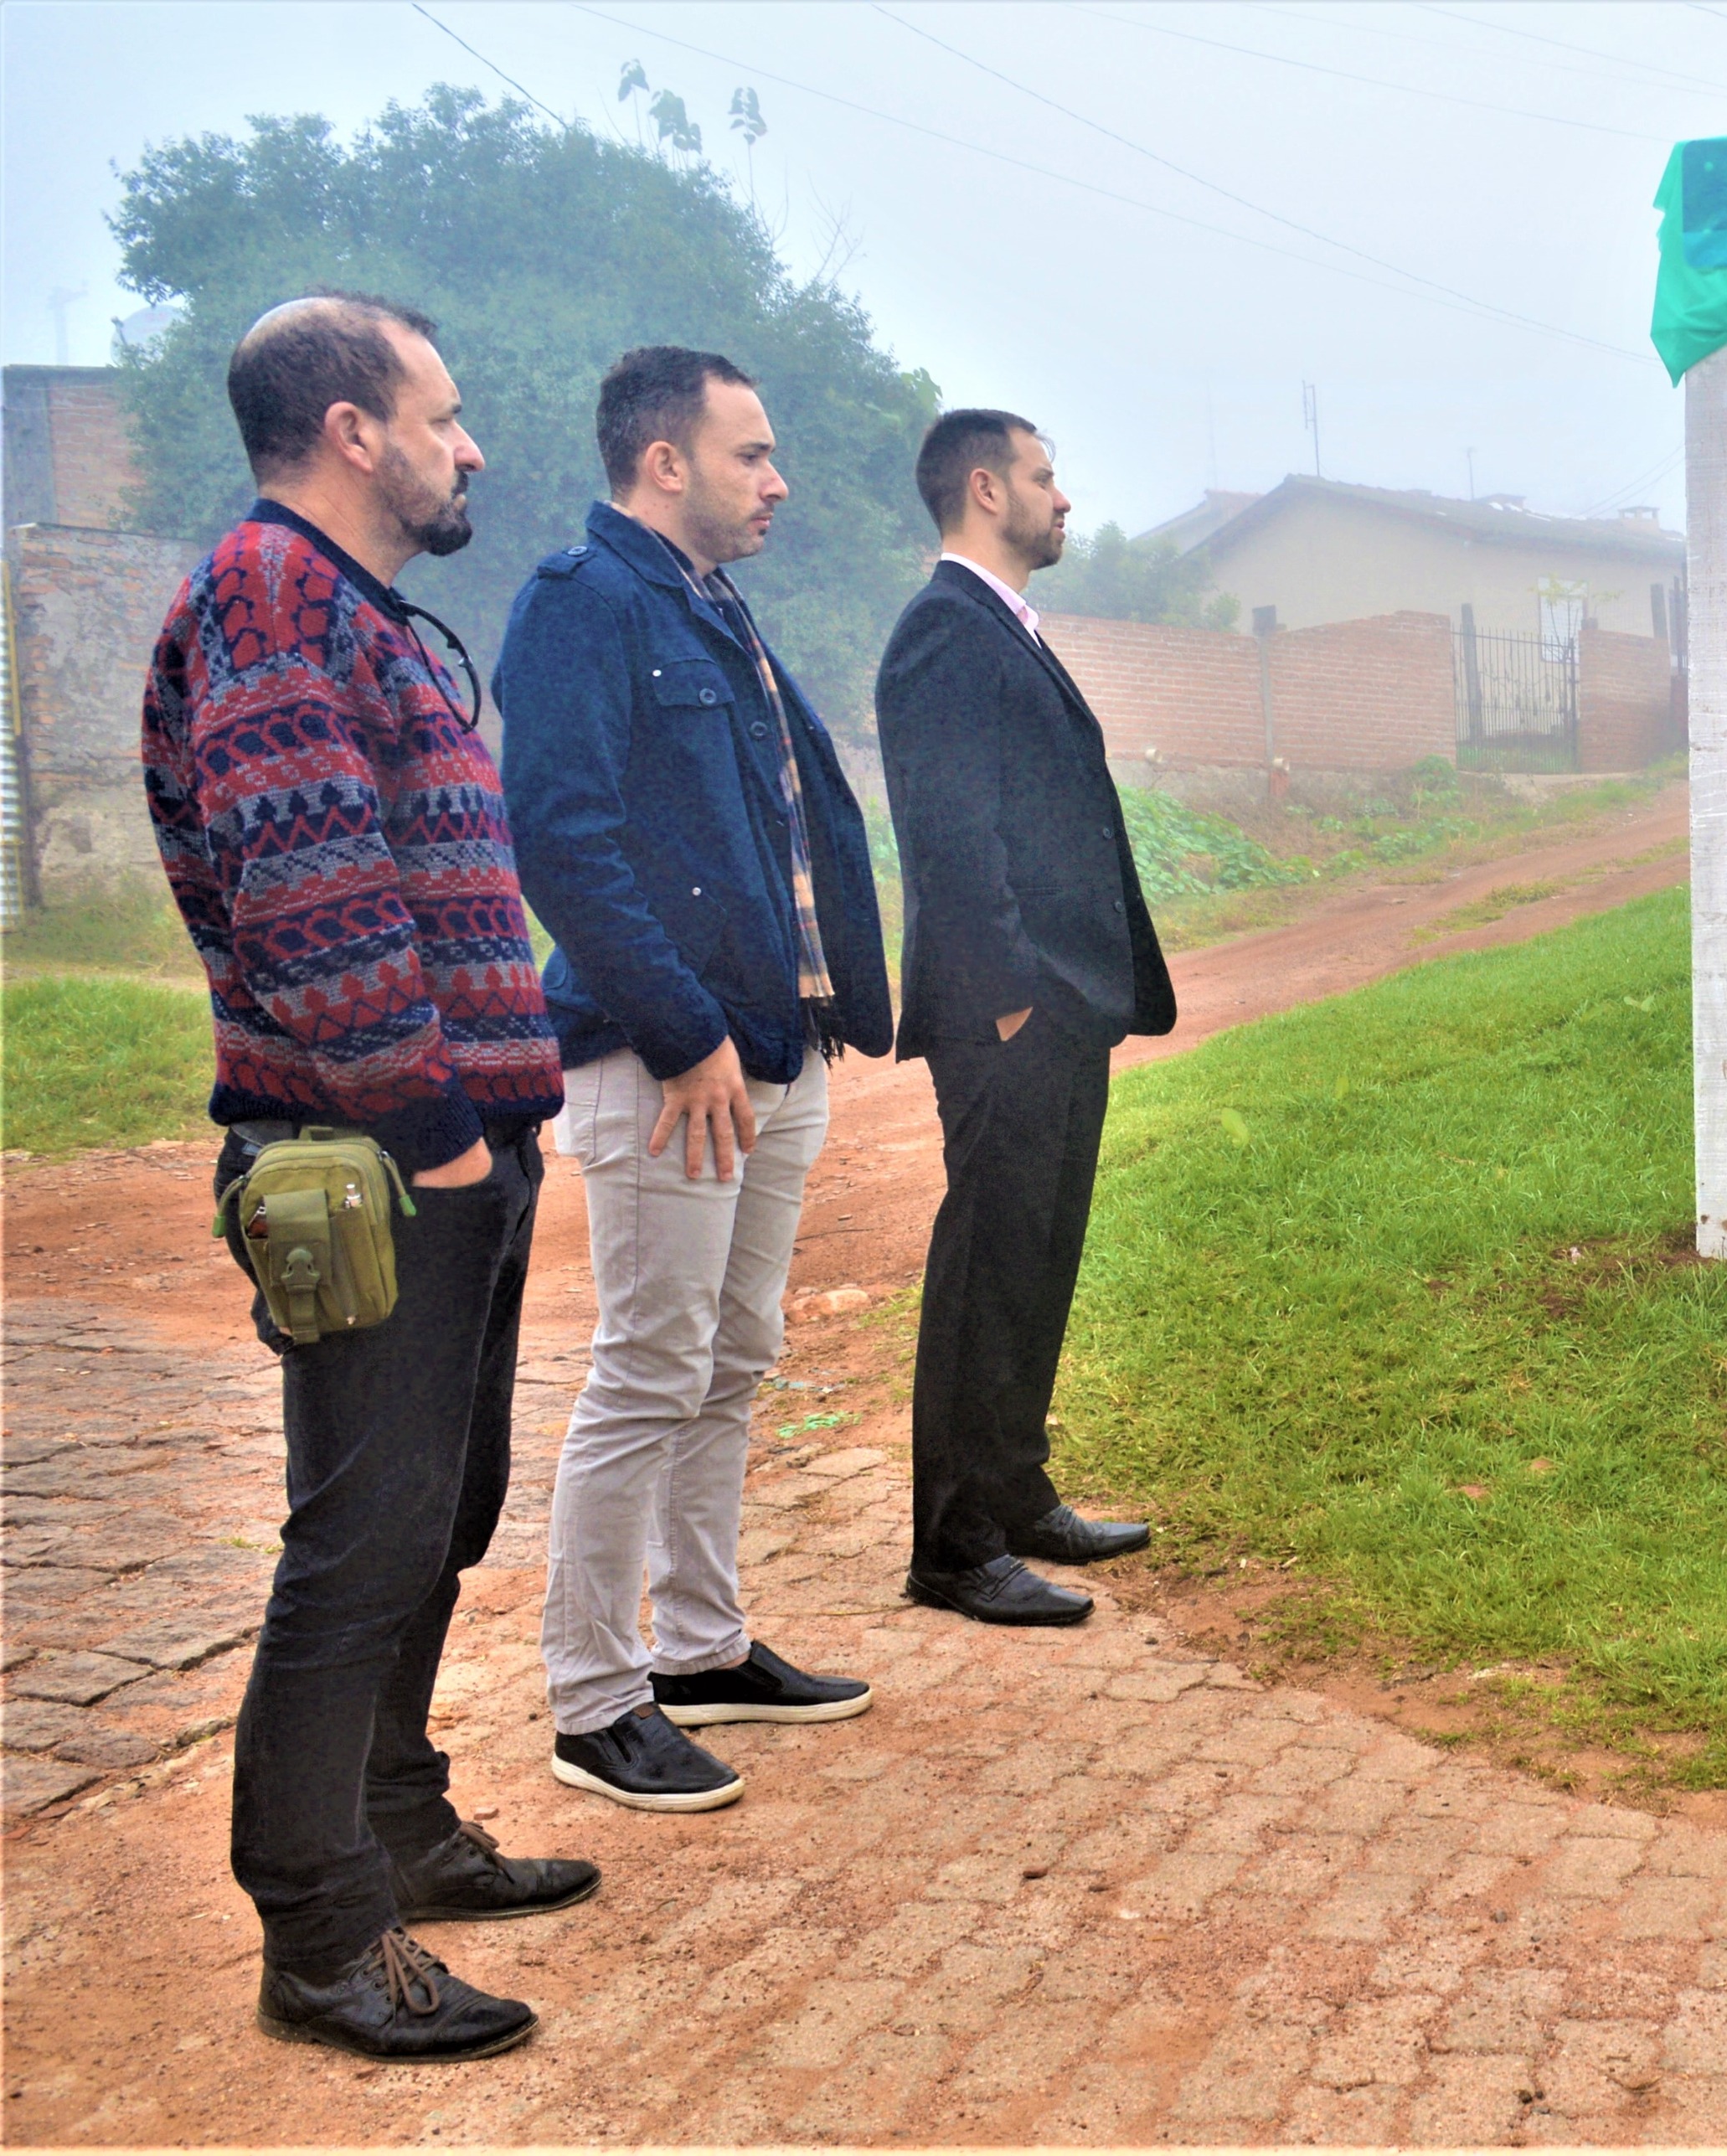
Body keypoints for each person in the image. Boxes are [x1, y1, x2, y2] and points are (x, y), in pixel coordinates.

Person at [143, 292, 586, 2061]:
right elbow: (309, 902)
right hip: (384, 1159)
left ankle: (401, 1821)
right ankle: (323, 1934)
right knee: (360, 1539)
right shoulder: (266, 595)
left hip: (450, 1148)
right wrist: (442, 1135)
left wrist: (488, 1134)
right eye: (443, 415)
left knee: (436, 1512)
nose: (469, 446)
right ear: (351, 429)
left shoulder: (356, 611)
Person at [497, 348, 891, 1811]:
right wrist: (681, 1029)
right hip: (671, 1063)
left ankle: (702, 1645)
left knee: (731, 1356)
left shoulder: (712, 607)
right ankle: (595, 1700)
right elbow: (563, 839)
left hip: (771, 1049)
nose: (778, 480)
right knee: (651, 1365)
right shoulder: (584, 602)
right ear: (664, 462)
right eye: (751, 454)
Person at [876, 409, 1173, 1624]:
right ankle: (952, 1546)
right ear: (986, 489)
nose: (1063, 498)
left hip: (1062, 1005)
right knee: (987, 1266)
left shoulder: (1002, 625)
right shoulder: (944, 632)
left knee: (1037, 1258)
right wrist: (1008, 997)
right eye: (1045, 477)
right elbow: (949, 832)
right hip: (1008, 1010)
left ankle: (1014, 1491)